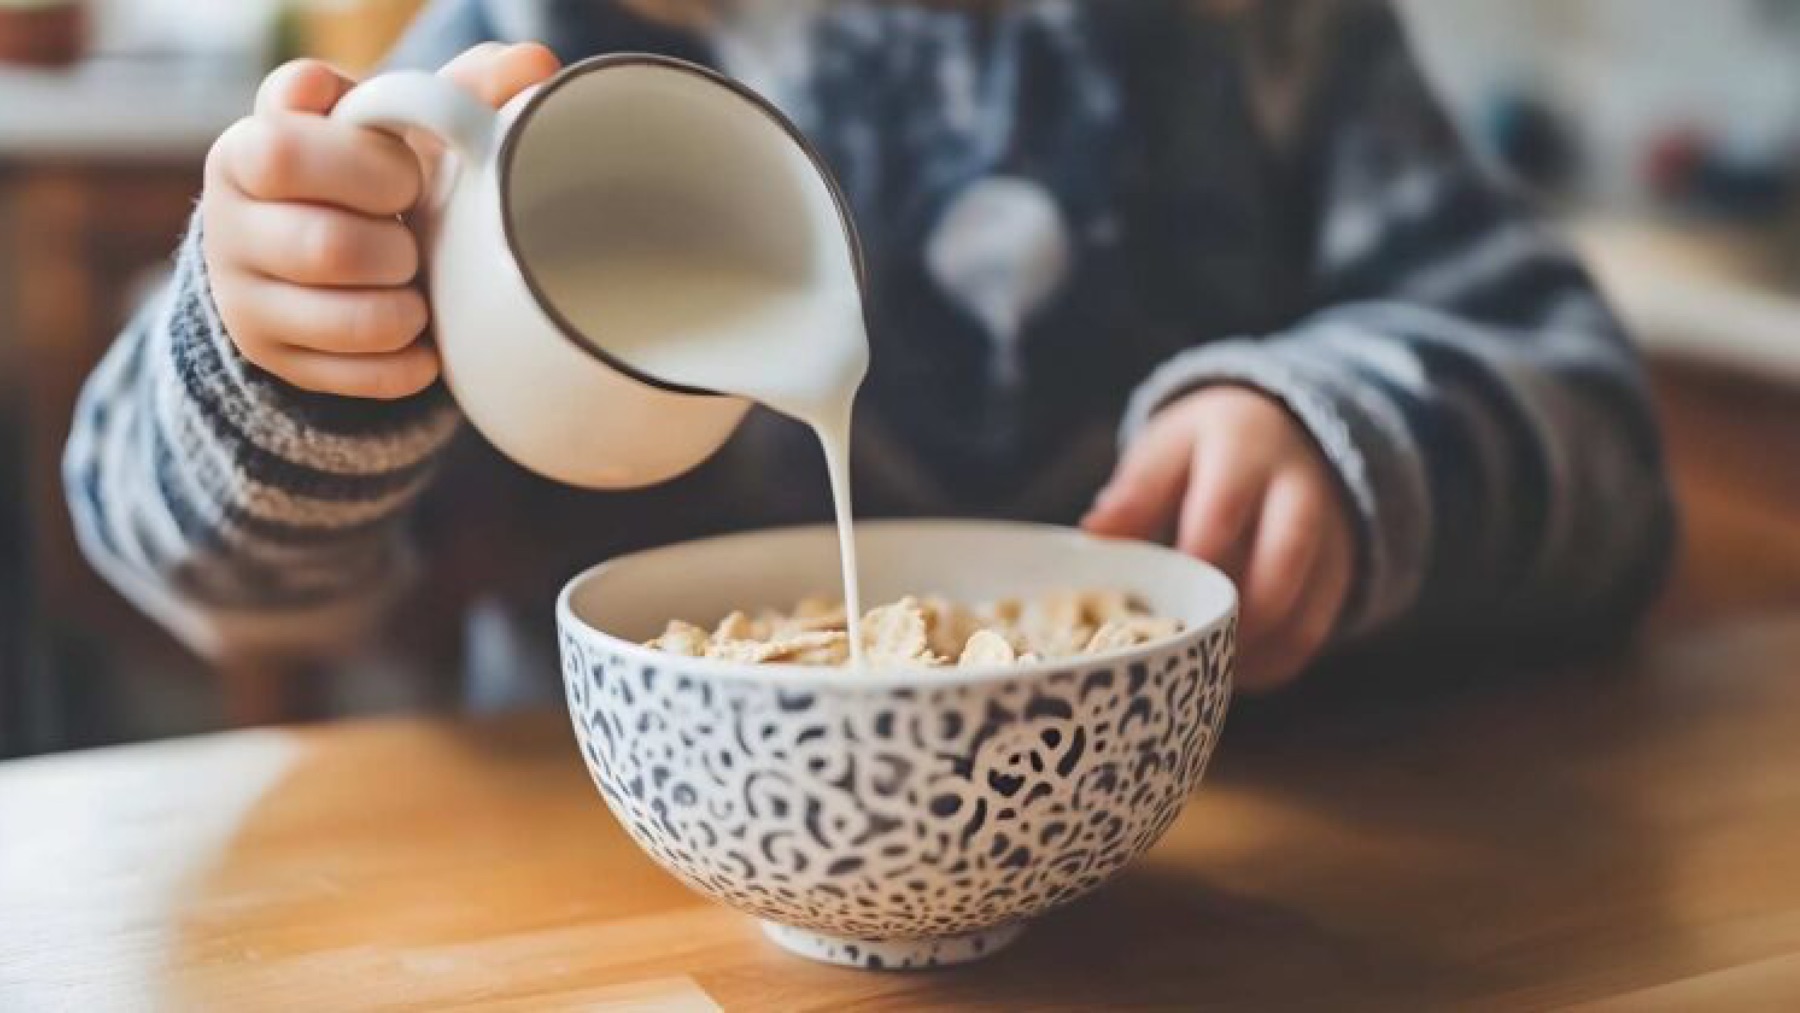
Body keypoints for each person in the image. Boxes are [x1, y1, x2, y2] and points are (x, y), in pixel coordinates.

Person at [64, 0, 1675, 704]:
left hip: (1213, 914)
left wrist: (1344, 432)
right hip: (606, 920)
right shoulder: (531, 36)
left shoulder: (1262, 38)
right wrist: (282, 341)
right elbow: (195, 568)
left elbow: (1605, 442)